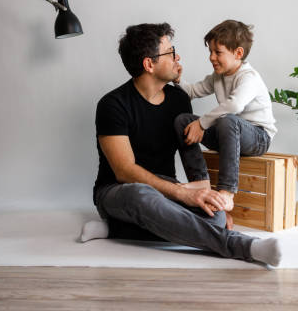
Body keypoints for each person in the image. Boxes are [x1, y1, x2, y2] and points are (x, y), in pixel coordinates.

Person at [80, 22, 281, 268]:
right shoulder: (112, 105)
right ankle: (243, 246)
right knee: (140, 194)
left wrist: (207, 195)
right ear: (149, 64)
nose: (178, 57)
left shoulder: (178, 100)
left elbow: (191, 154)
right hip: (119, 191)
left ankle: (117, 229)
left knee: (215, 216)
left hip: (165, 189)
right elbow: (125, 171)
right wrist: (181, 193)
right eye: (170, 52)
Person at [173, 20, 277, 218]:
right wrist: (178, 80)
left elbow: (234, 106)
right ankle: (200, 181)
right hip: (229, 133)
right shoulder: (218, 76)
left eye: (217, 52)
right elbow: (194, 91)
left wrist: (202, 123)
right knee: (183, 121)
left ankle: (227, 191)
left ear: (238, 53)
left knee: (228, 119)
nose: (212, 57)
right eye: (210, 52)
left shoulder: (249, 77)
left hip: (258, 137)